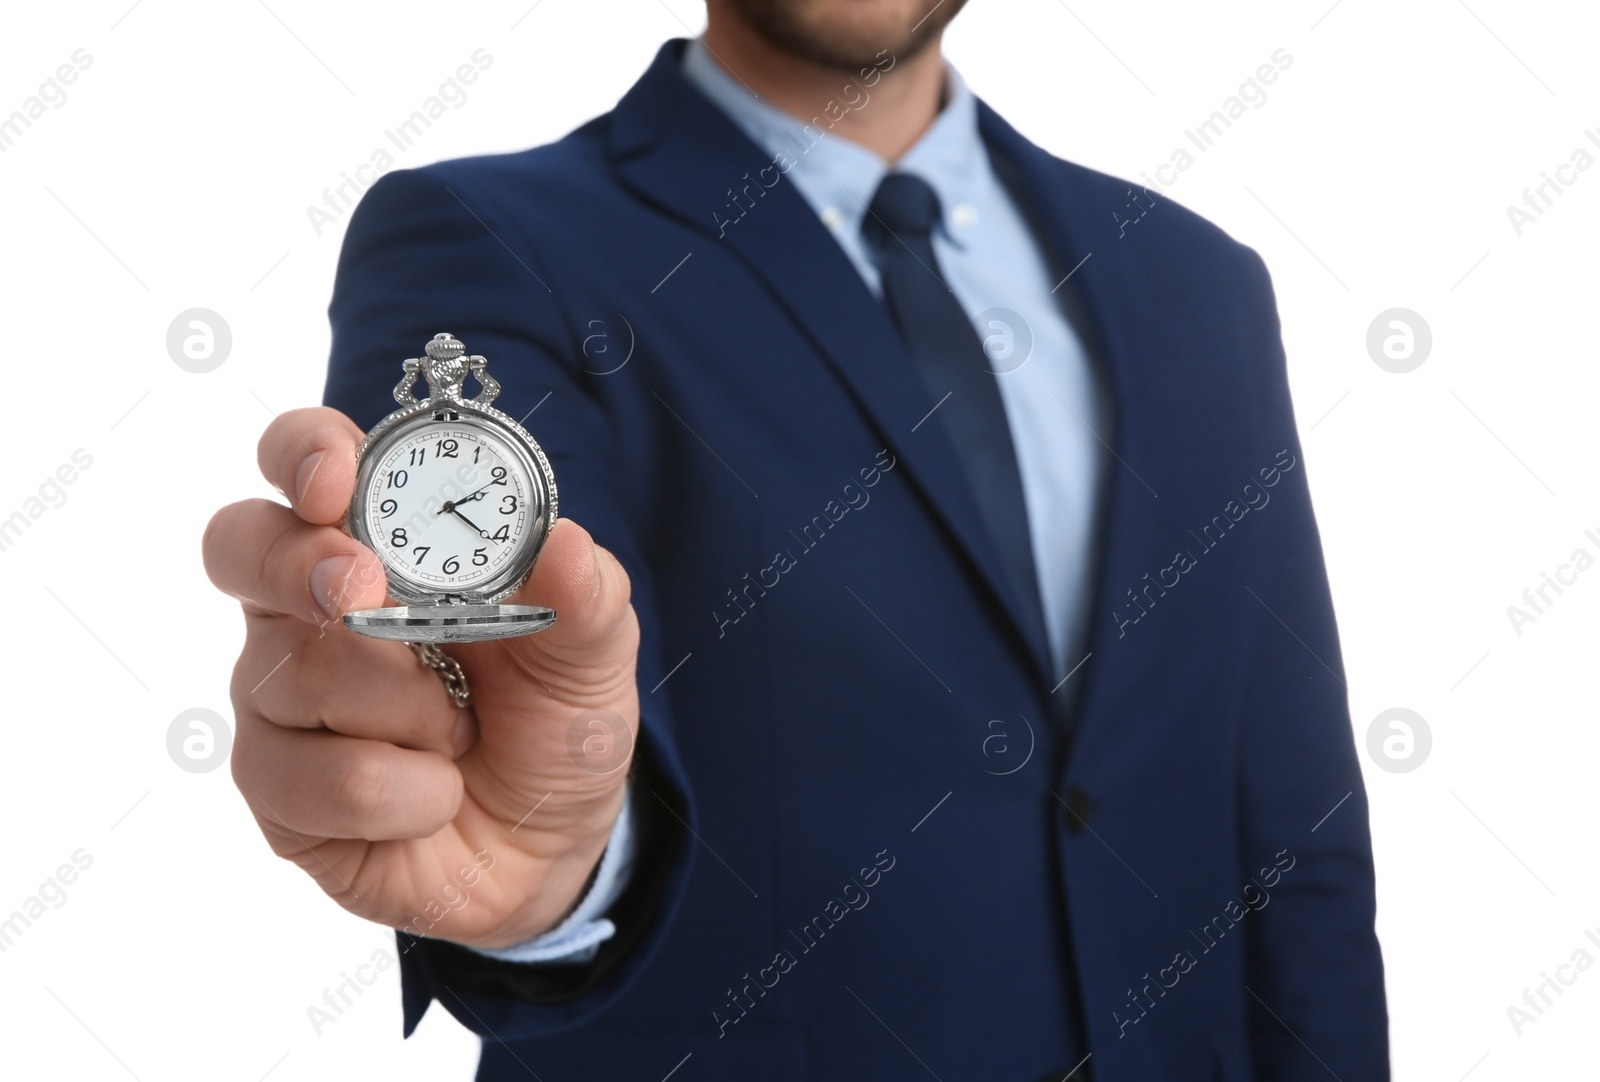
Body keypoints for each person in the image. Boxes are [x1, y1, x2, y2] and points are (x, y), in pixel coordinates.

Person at [202, 1, 1389, 1078]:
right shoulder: (487, 239)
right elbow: (504, 637)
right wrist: (557, 867)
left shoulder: (1197, 279)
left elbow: (1295, 837)